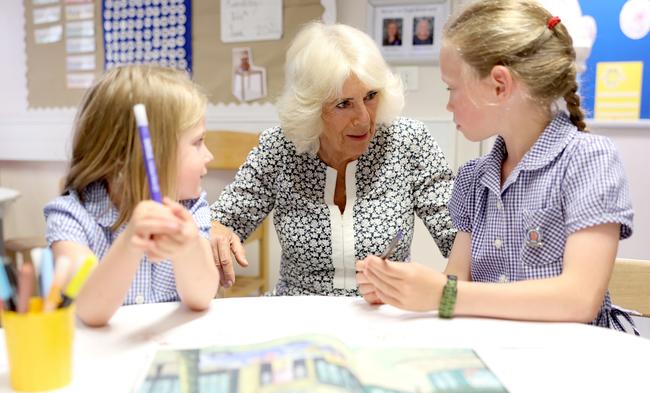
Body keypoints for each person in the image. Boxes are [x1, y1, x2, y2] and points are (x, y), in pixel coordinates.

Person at [357, 0, 636, 333]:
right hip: (495, 351)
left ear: (500, 86)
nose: (448, 103)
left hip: (569, 360)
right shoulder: (474, 179)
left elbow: (579, 299)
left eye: (452, 88)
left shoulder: (589, 161)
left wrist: (443, 293)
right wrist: (397, 287)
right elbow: (455, 284)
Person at [210, 22, 455, 296]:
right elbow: (224, 220)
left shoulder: (408, 141)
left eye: (371, 96)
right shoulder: (280, 147)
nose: (364, 118)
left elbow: (457, 235)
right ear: (312, 108)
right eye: (343, 104)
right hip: (298, 312)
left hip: (383, 310)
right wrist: (216, 230)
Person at [44, 65, 219, 326]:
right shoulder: (71, 216)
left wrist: (189, 245)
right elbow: (90, 311)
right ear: (141, 155)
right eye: (197, 142)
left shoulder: (191, 209)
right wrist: (129, 244)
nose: (209, 155)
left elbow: (202, 296)